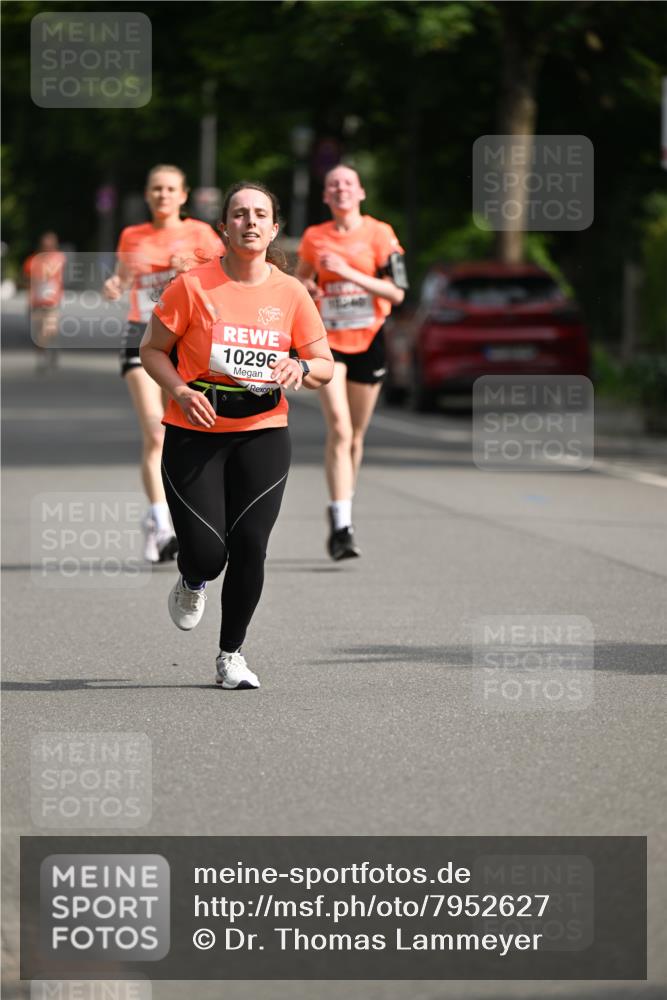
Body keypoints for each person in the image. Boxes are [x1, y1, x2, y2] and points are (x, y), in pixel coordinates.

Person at [139, 181, 333, 690]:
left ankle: (231, 655)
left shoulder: (291, 293)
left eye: (260, 214)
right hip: (195, 430)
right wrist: (181, 391)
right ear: (223, 227)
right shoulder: (192, 286)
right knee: (208, 552)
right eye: (240, 214)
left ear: (274, 229)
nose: (250, 221)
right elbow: (152, 350)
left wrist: (301, 366)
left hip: (263, 432)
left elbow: (326, 365)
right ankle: (192, 578)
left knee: (251, 544)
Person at [103, 164, 224, 563]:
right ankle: (161, 523)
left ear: (184, 195)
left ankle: (168, 517)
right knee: (155, 433)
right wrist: (113, 286)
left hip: (184, 341)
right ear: (148, 194)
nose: (163, 195)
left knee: (179, 431)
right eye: (156, 189)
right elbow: (122, 280)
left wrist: (191, 270)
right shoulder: (132, 236)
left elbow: (225, 280)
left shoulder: (201, 235)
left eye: (171, 189)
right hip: (141, 334)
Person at [296, 164, 408, 560]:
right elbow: (300, 284)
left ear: (360, 192)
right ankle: (343, 525)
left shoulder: (380, 234)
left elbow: (396, 294)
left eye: (347, 183)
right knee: (340, 430)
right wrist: (310, 285)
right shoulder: (314, 237)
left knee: (356, 436)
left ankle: (341, 504)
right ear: (326, 197)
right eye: (332, 185)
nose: (340, 189)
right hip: (329, 342)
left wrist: (347, 273)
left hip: (370, 339)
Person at [23, 232, 66, 373]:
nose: (48, 247)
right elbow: (27, 281)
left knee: (49, 329)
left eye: (51, 244)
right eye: (46, 245)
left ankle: (50, 350)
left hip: (52, 302)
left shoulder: (59, 258)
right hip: (37, 302)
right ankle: (44, 354)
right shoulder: (32, 261)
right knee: (38, 333)